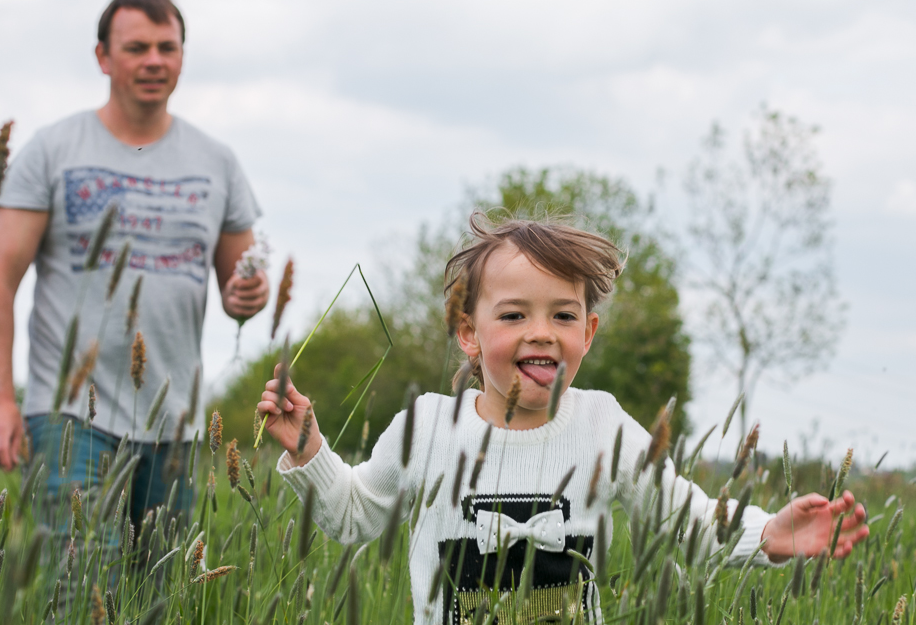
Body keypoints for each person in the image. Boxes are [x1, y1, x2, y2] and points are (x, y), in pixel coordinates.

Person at [256, 214, 869, 624]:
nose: (542, 334)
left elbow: (687, 524)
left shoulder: (603, 426)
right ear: (469, 332)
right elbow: (355, 515)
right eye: (515, 316)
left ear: (590, 332)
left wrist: (769, 535)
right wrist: (309, 449)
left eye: (564, 317)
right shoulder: (428, 428)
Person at [0, 0, 268, 529]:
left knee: (161, 598)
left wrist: (251, 294)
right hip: (69, 417)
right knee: (86, 599)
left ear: (181, 56)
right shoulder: (53, 150)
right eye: (137, 48)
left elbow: (241, 290)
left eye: (167, 47)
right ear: (103, 57)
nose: (154, 60)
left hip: (176, 421)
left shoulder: (217, 163)